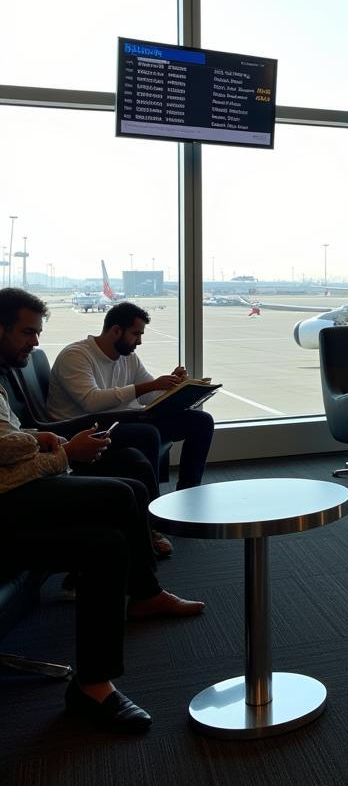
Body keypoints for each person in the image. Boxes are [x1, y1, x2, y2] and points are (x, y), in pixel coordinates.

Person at [0, 287, 204, 734]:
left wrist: (177, 392)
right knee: (122, 492)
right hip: (9, 496)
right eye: (27, 332)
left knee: (108, 542)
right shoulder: (76, 356)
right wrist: (59, 452)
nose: (35, 343)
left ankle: (94, 684)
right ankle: (146, 592)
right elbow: (5, 457)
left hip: (22, 482)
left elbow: (10, 439)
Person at [46, 302, 214, 495]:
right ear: (116, 331)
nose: (139, 341)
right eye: (136, 334)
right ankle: (151, 507)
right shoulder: (76, 356)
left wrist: (176, 388)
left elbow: (150, 396)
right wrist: (149, 386)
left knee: (202, 421)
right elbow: (91, 401)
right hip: (81, 428)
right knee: (147, 433)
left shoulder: (128, 357)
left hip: (119, 420)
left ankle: (188, 493)